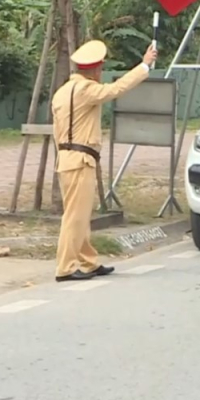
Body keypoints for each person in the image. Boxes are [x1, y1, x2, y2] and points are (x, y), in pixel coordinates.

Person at [51, 40, 158, 281]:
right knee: (75, 217)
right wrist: (144, 66)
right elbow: (116, 89)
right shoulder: (85, 90)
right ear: (95, 70)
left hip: (67, 158)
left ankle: (88, 262)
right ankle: (65, 268)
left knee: (79, 214)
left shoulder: (62, 92)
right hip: (80, 160)